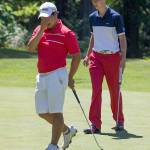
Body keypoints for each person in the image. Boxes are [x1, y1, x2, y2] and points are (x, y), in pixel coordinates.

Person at [27, 2, 81, 150]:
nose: (45, 20)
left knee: (56, 112)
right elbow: (31, 48)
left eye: (47, 17)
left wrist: (70, 77)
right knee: (42, 112)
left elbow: (76, 56)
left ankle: (53, 145)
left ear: (55, 15)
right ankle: (67, 131)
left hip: (57, 75)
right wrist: (41, 30)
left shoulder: (66, 33)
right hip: (42, 75)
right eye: (42, 18)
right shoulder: (40, 29)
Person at [83, 0, 127, 134]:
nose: (96, 1)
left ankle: (119, 120)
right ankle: (95, 124)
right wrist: (87, 54)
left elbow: (122, 39)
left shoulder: (115, 17)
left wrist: (123, 58)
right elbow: (93, 37)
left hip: (113, 58)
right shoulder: (92, 17)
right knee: (96, 90)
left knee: (114, 90)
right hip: (96, 58)